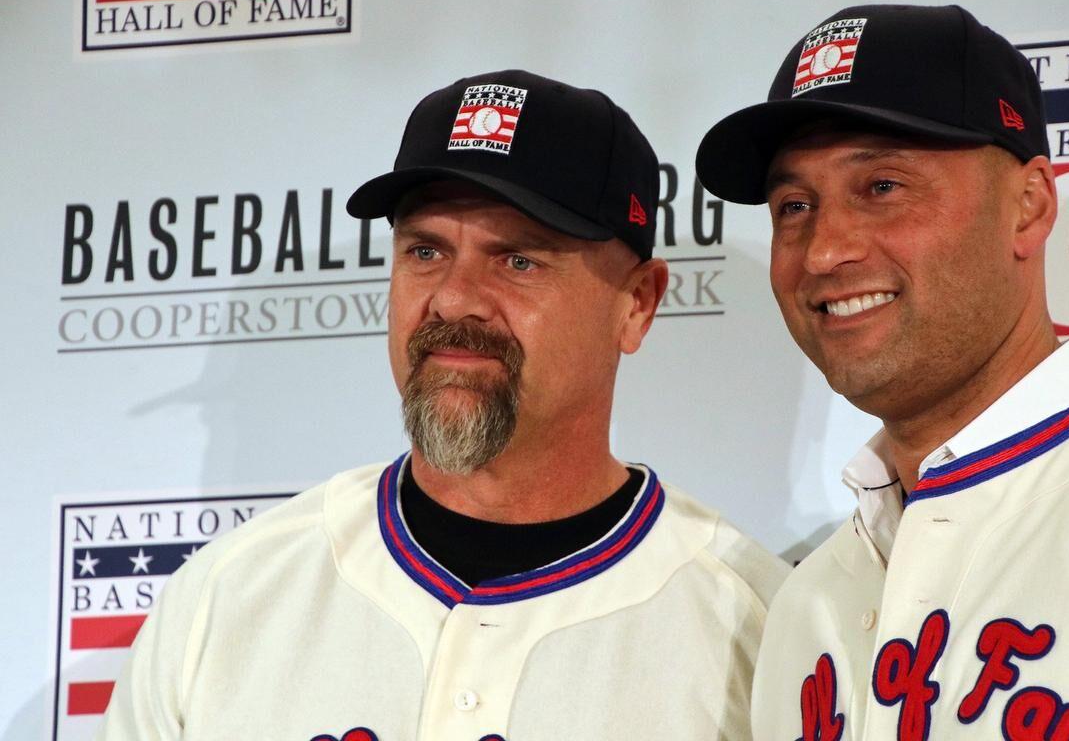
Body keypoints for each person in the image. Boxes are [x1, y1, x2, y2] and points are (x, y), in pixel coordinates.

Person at [98, 70, 787, 741]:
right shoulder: (229, 596)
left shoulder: (758, 627)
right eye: (425, 250)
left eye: (518, 259)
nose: (454, 298)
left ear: (636, 304)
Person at [696, 4, 1069, 740]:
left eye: (883, 187)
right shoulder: (806, 605)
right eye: (793, 205)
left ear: (1028, 207)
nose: (823, 250)